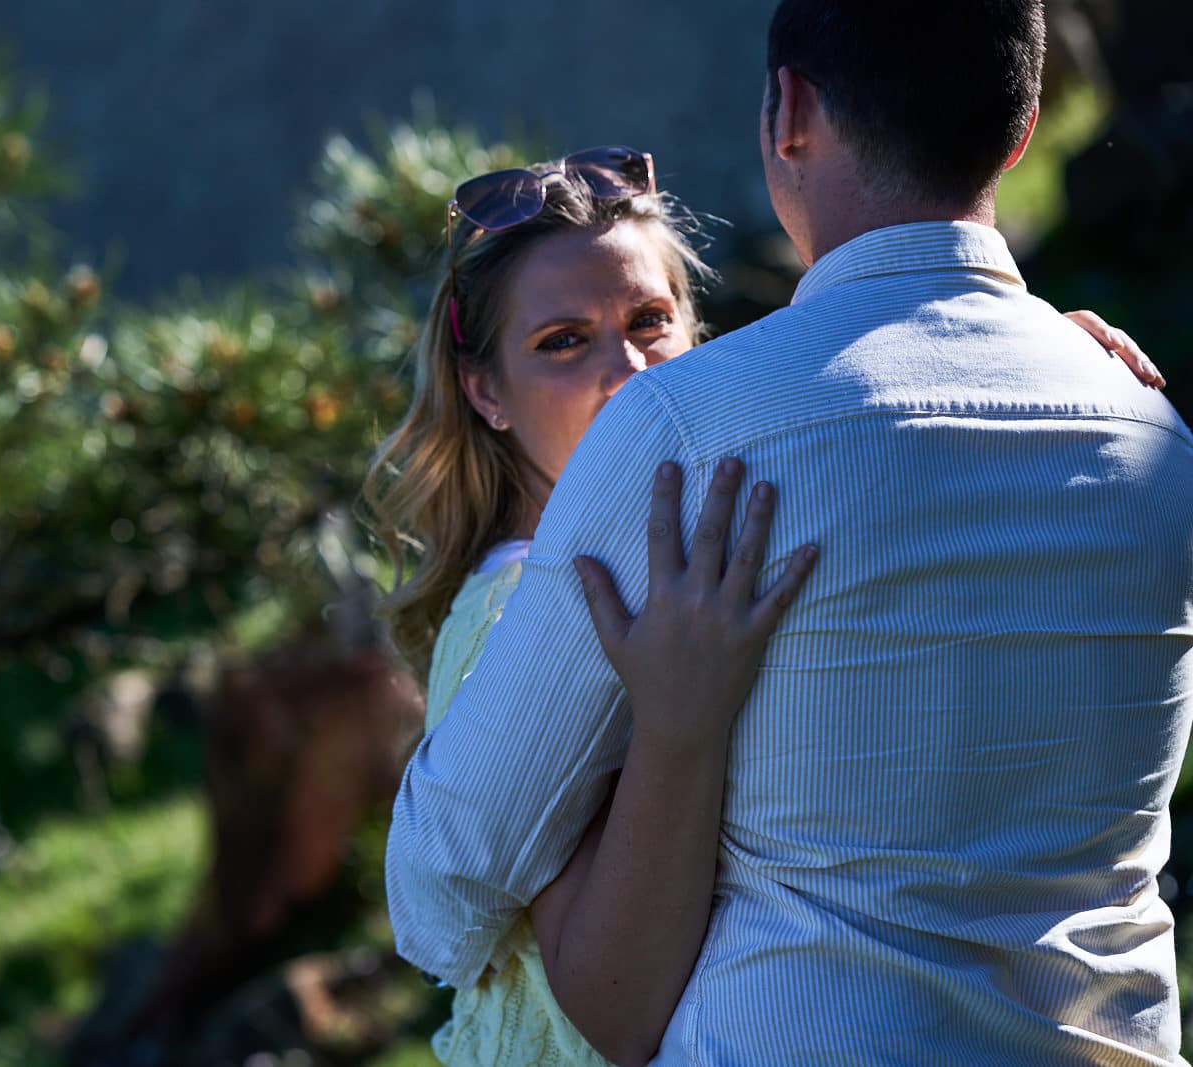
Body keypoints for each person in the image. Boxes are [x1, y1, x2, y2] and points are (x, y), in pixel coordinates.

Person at [383, 2, 1193, 1065]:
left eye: (645, 326)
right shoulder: (1151, 427)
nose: (620, 370)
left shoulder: (689, 439)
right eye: (563, 342)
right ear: (1023, 124)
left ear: (791, 110)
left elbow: (441, 900)